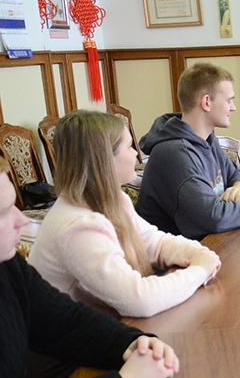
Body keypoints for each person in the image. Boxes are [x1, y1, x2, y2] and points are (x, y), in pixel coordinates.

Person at [0, 156, 180, 378]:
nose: (21, 220)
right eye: (4, 212)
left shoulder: (7, 267)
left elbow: (64, 321)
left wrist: (131, 342)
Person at [28, 110, 222, 319]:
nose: (136, 154)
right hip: (71, 338)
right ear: (104, 159)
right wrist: (199, 271)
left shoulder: (115, 200)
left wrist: (199, 253)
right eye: (129, 147)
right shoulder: (78, 226)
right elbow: (140, 300)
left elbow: (155, 243)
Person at [137, 63, 240, 240]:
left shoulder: (207, 139)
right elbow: (211, 217)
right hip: (170, 255)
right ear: (207, 102)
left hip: (207, 244)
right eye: (229, 100)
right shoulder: (173, 153)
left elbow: (235, 173)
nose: (233, 107)